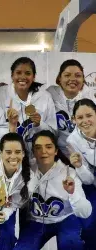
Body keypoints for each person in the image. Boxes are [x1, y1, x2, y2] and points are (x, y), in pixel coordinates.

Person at [14, 130, 92, 250]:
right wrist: (30, 186)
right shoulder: (26, 170)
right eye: (38, 148)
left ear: (56, 151)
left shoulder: (68, 173)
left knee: (71, 244)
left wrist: (72, 193)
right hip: (36, 221)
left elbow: (85, 212)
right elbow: (17, 202)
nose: (43, 151)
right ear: (33, 152)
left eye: (49, 147)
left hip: (65, 219)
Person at [0, 57, 57, 153]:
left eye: (28, 73)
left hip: (36, 156)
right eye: (18, 73)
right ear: (12, 76)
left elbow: (53, 132)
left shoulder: (44, 97)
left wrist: (39, 125)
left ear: (34, 77)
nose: (23, 77)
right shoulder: (0, 94)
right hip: (10, 154)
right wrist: (11, 128)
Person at [47, 59, 96, 160]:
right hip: (57, 155)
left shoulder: (90, 98)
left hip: (85, 155)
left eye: (78, 75)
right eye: (67, 75)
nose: (72, 79)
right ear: (59, 78)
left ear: (83, 80)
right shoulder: (50, 94)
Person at [67, 99, 96, 250]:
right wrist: (79, 167)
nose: (85, 121)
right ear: (73, 120)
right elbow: (88, 179)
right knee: (90, 224)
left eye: (89, 115)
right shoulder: (72, 140)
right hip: (92, 184)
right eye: (80, 117)